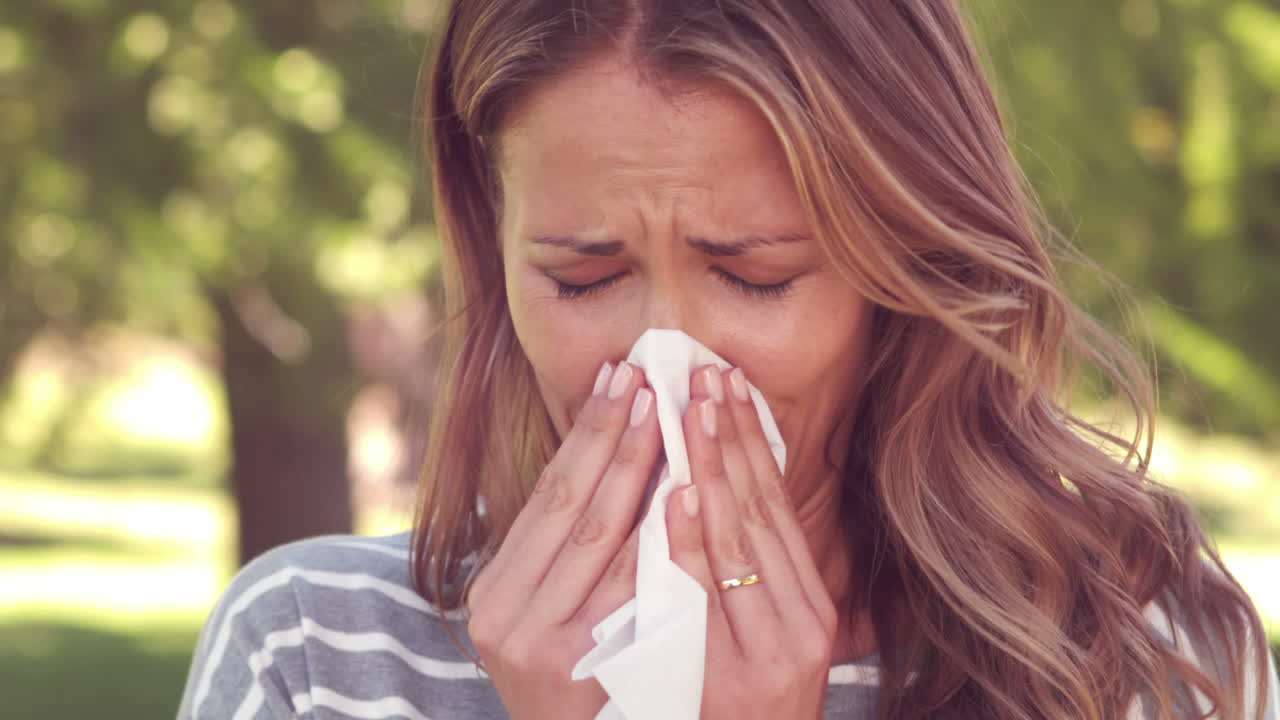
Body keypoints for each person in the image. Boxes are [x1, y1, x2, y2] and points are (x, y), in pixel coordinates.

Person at [176, 1, 1280, 718]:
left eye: (755, 275)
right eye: (582, 276)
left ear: (901, 271)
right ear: (491, 249)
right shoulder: (314, 650)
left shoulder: (1137, 665)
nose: (667, 359)